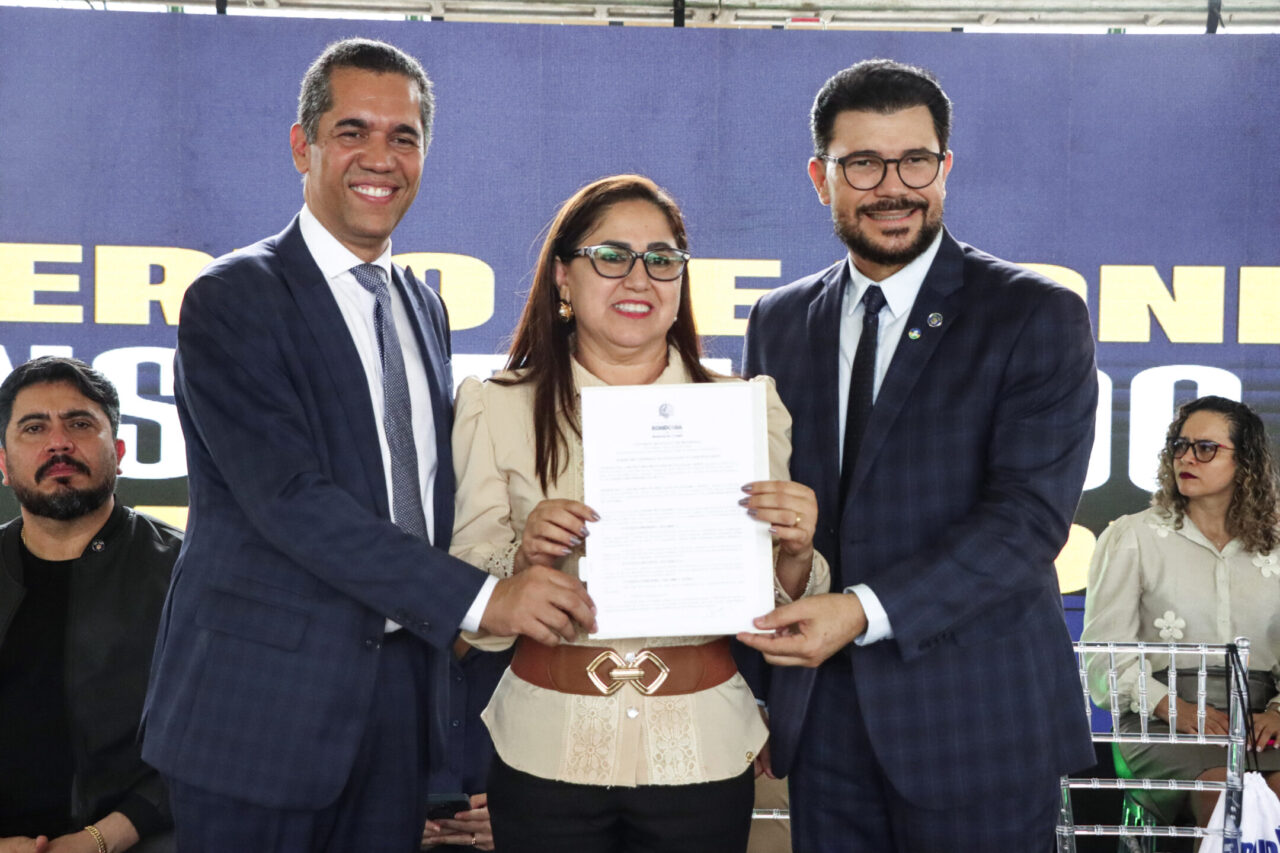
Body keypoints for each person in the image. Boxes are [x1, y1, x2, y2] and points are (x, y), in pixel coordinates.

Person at [141, 38, 595, 853]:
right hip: (257, 713)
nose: (380, 157)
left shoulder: (423, 307)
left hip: (393, 710)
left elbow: (429, 497)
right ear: (301, 144)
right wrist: (488, 599)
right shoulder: (234, 296)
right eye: (353, 131)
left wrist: (530, 538)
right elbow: (291, 500)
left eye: (404, 136)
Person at [736, 59, 1098, 851]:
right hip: (825, 728)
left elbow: (1027, 523)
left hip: (978, 727)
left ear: (946, 167)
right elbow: (764, 509)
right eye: (862, 163)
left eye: (916, 161)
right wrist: (760, 695)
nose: (892, 186)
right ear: (819, 176)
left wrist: (860, 609)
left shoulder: (1034, 314)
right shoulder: (779, 319)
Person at [449, 174, 830, 853]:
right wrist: (522, 565)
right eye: (611, 255)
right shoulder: (495, 404)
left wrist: (797, 555)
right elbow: (463, 601)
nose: (639, 277)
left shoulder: (743, 407)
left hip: (703, 748)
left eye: (661, 258)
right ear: (563, 277)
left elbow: (777, 608)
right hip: (542, 746)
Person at [0, 357, 181, 853]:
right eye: (34, 427)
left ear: (119, 453)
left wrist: (99, 840)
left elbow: (220, 733)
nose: (58, 442)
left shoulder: (186, 573)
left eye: (79, 423)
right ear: (3, 463)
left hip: (145, 839)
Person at [1082, 396, 1280, 826]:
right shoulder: (1132, 537)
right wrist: (1173, 706)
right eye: (1179, 445)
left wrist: (1278, 711)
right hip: (1160, 720)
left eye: (1205, 448)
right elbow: (1102, 656)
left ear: (1244, 460)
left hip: (1263, 718)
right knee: (1228, 802)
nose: (1186, 457)